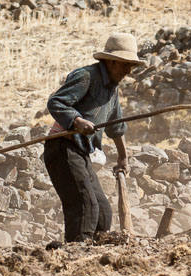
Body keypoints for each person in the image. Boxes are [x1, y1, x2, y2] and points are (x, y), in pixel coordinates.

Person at [44, 32, 143, 242]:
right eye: (125, 64)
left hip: (80, 152)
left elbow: (116, 126)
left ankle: (94, 258)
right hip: (62, 147)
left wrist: (123, 157)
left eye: (130, 66)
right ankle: (75, 255)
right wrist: (77, 121)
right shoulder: (86, 76)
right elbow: (56, 102)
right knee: (85, 206)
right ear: (110, 61)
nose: (128, 71)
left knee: (103, 214)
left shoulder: (112, 90)